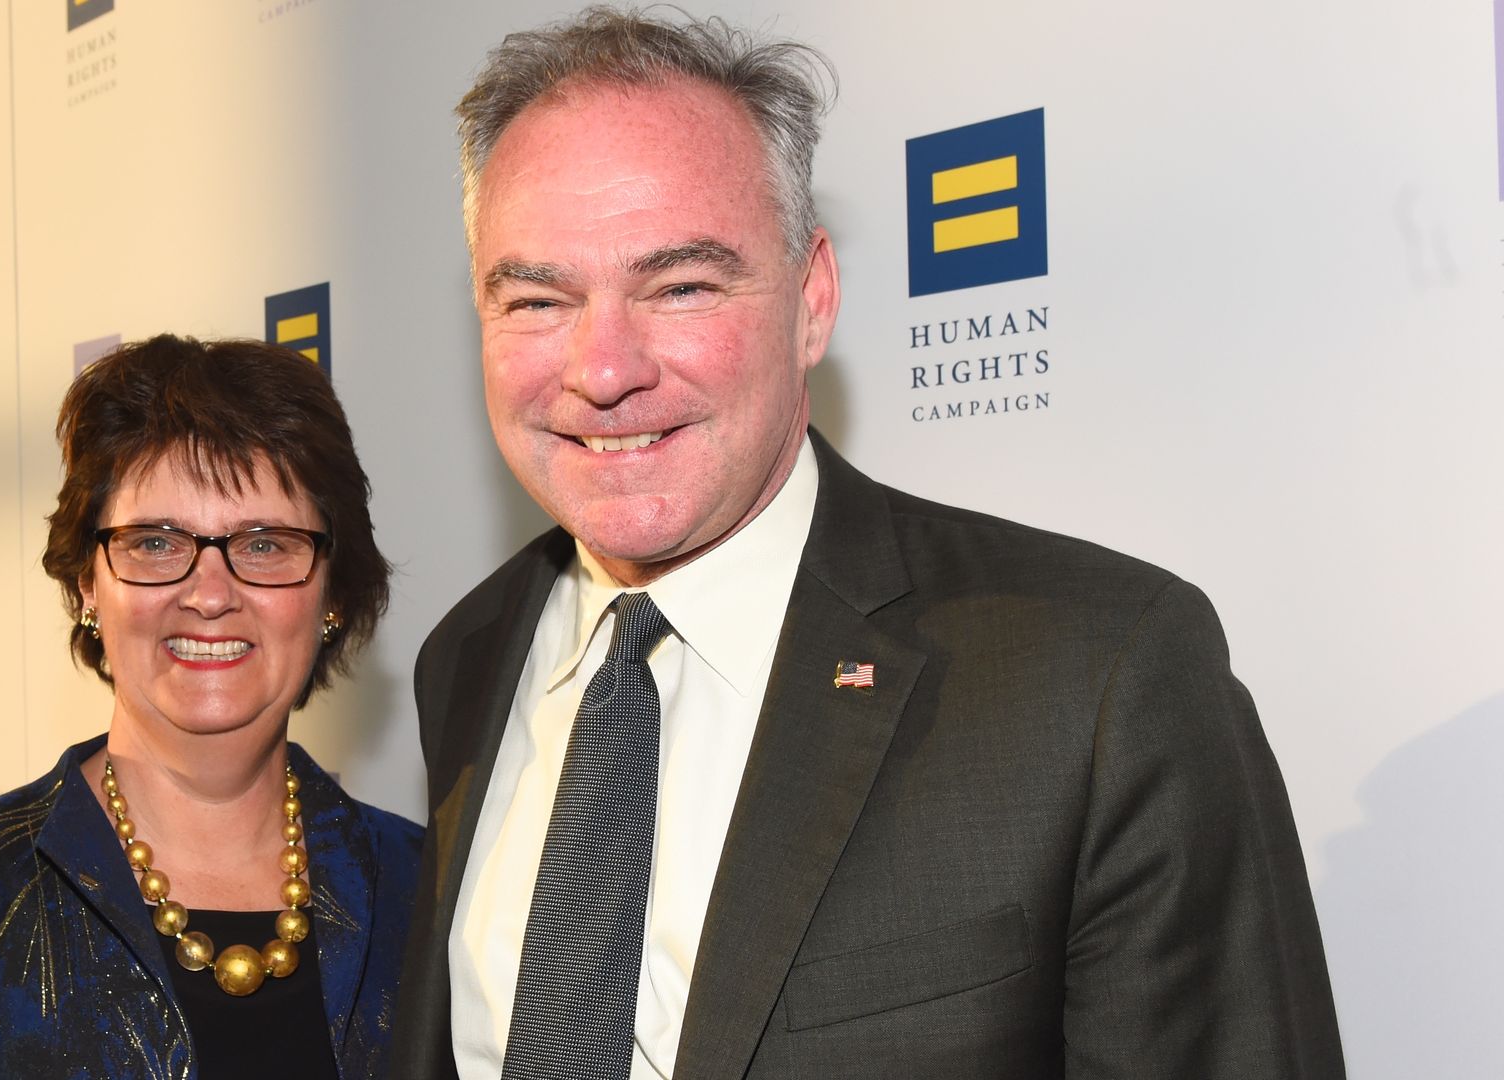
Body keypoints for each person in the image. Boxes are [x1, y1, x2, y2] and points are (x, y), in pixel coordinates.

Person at [394, 8, 1346, 1079]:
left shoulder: (1099, 677)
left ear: (812, 300)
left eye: (682, 287)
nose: (602, 366)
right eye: (536, 297)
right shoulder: (467, 660)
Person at [0, 336, 421, 1079]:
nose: (210, 594)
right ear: (87, 585)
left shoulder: (427, 892)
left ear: (332, 595)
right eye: (154, 543)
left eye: (266, 544)